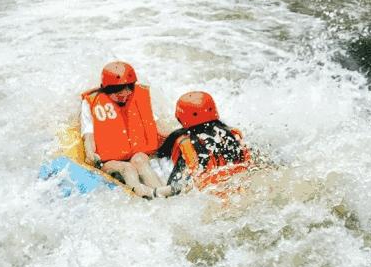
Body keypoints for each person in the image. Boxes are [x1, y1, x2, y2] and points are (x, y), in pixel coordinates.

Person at [80, 61, 166, 198]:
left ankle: (162, 193)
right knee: (127, 168)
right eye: (120, 94)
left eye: (130, 90)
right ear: (108, 89)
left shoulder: (138, 97)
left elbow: (158, 128)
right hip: (109, 162)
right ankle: (142, 193)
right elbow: (88, 134)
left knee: (140, 160)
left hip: (136, 153)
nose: (126, 95)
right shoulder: (92, 103)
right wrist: (90, 153)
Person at [155, 91, 251, 197]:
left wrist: (153, 192)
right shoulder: (232, 135)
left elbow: (176, 186)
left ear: (180, 118)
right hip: (242, 189)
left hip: (210, 197)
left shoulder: (186, 144)